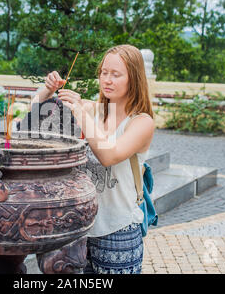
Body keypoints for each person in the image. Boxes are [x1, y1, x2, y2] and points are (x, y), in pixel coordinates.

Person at [31, 44, 155, 274]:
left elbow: (109, 155)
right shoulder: (95, 110)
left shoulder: (141, 122)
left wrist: (80, 111)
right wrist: (47, 91)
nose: (107, 79)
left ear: (134, 79)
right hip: (79, 229)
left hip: (118, 230)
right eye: (103, 72)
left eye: (116, 74)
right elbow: (36, 115)